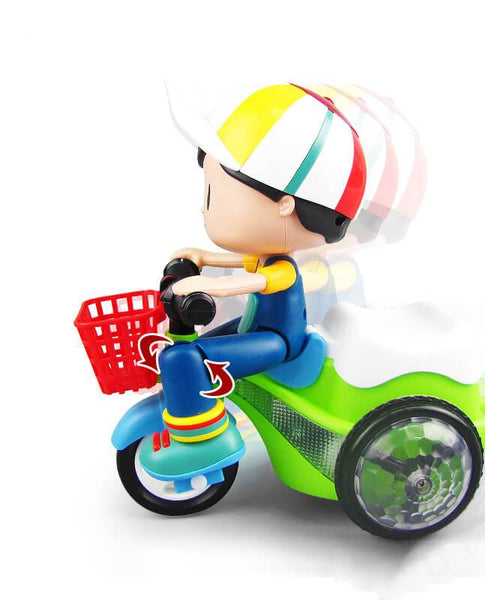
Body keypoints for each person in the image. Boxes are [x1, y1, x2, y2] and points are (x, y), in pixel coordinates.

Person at [140, 83, 366, 482]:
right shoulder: (266, 253)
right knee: (188, 350)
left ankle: (205, 441)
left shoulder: (283, 269)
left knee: (186, 358)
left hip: (279, 343)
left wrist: (206, 286)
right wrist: (200, 257)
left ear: (284, 204)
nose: (205, 207)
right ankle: (197, 407)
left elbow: (250, 283)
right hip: (256, 330)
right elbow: (238, 263)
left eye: (215, 195)